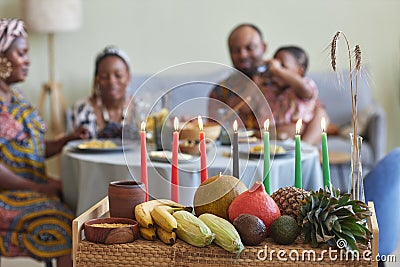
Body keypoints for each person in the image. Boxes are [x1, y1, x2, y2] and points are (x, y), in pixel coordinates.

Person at [0, 19, 88, 267]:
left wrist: (65, 141)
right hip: (7, 194)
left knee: (83, 211)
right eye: (21, 53)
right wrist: (38, 188)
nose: (27, 60)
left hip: (28, 187)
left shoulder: (15, 96)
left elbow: (32, 149)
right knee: (65, 224)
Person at [208, 23, 329, 145]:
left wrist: (301, 144)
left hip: (291, 148)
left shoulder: (280, 80)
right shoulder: (222, 90)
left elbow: (318, 113)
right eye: (235, 50)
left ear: (264, 47)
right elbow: (215, 129)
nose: (243, 55)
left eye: (250, 48)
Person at [67, 45, 135, 139]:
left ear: (128, 77)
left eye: (118, 76)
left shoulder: (141, 109)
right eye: (104, 77)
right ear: (97, 79)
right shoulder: (81, 109)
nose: (111, 82)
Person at [258, 45, 319, 139]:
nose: (276, 71)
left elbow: (305, 90)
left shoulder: (303, 86)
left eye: (283, 66)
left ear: (300, 71)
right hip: (274, 136)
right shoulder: (272, 89)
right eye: (275, 66)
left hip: (296, 136)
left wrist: (278, 70)